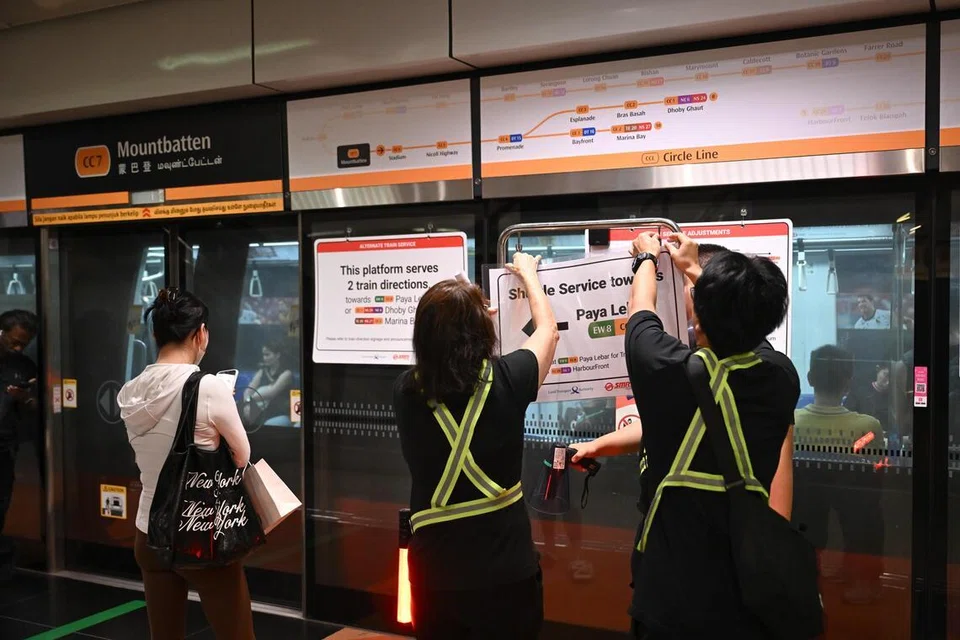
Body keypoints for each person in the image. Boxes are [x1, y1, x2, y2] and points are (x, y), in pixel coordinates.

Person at [571, 232, 798, 638]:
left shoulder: (671, 372)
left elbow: (639, 312)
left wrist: (646, 257)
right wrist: (695, 270)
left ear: (699, 318)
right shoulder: (780, 378)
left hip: (671, 596)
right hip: (745, 590)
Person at [394, 254, 559, 640]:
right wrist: (528, 275)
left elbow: (447, 363)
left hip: (434, 574)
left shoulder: (406, 391)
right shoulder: (510, 378)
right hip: (506, 571)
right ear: (482, 331)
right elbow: (548, 331)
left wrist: (468, 319)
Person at [117, 288, 255, 639]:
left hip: (149, 532)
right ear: (200, 333)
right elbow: (242, 456)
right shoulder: (208, 387)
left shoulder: (130, 391)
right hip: (201, 531)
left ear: (155, 335)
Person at [793, 344, 885, 604]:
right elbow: (878, 474)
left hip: (804, 514)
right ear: (848, 382)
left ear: (810, 378)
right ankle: (864, 581)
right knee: (867, 506)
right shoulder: (868, 427)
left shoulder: (792, 422)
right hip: (853, 512)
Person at [0, 310, 38, 581]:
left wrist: (24, 398)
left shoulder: (24, 366)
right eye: (13, 342)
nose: (17, 348)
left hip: (5, 444)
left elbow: (35, 406)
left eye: (23, 344)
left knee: (2, 503)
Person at [242, 341, 294, 425]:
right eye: (263, 355)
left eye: (267, 355)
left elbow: (271, 393)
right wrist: (247, 403)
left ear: (277, 355)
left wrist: (251, 400)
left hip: (279, 413)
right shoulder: (262, 371)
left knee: (268, 424)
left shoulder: (287, 374)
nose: (264, 358)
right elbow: (249, 389)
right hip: (262, 412)